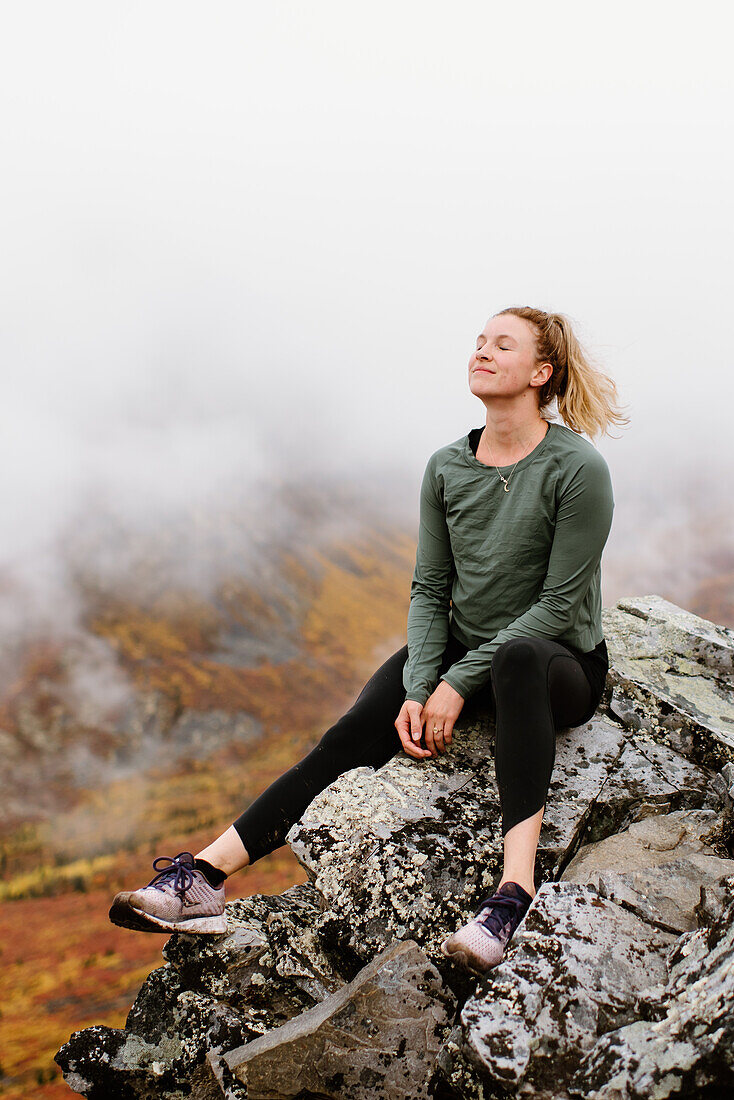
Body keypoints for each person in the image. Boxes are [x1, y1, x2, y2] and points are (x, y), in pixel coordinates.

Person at [109, 305, 628, 975]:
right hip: (457, 654)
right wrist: (420, 686)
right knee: (351, 732)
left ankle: (514, 895)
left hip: (556, 666)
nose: (482, 352)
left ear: (541, 373)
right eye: (478, 342)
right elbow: (429, 587)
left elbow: (558, 606)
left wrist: (455, 684)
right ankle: (203, 876)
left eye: (503, 345)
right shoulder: (447, 466)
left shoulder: (577, 468)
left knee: (520, 658)